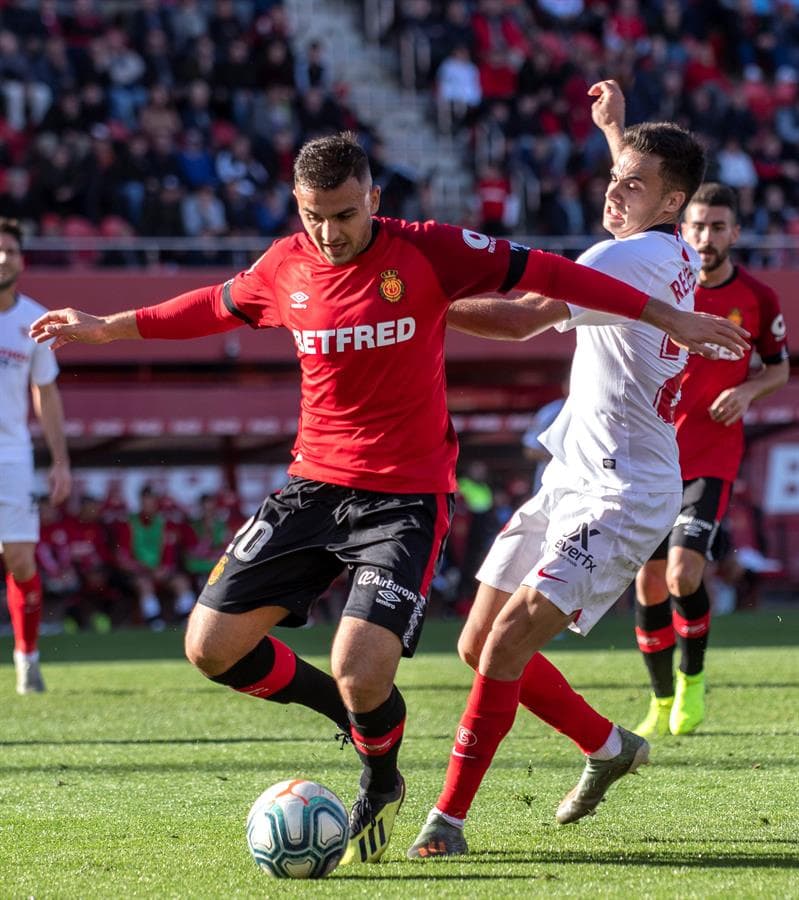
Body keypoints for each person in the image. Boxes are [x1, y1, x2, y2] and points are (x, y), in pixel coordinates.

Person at [30, 131, 747, 865]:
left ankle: (411, 798)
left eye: (345, 214)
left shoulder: (432, 249)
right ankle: (543, 739)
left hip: (410, 496)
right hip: (317, 484)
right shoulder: (285, 265)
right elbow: (211, 307)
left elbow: (542, 277)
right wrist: (106, 327)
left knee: (387, 662)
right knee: (210, 648)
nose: (329, 232)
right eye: (314, 216)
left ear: (373, 199)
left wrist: (663, 316)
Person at [406, 80, 714, 858]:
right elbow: (642, 198)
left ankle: (446, 821)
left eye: (630, 185)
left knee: (506, 642)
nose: (612, 192)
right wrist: (617, 133)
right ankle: (609, 746)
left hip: (621, 495)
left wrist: (415, 303)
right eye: (612, 178)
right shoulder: (670, 247)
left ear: (670, 201)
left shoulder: (622, 257)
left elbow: (517, 321)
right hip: (573, 477)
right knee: (477, 645)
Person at [633, 182, 789, 738]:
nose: (706, 237)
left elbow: (778, 367)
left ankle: (692, 682)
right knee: (650, 585)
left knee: (683, 572)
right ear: (683, 229)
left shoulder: (758, 298)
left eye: (718, 227)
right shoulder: (663, 291)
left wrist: (747, 391)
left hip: (712, 457)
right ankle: (660, 700)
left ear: (735, 233)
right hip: (654, 455)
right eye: (698, 226)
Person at [0, 217, 72, 693]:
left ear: (21, 260)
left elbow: (45, 392)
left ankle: (27, 659)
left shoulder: (35, 321)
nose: (2, 258)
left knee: (20, 560)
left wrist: (60, 462)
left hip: (12, 456)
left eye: (9, 250)